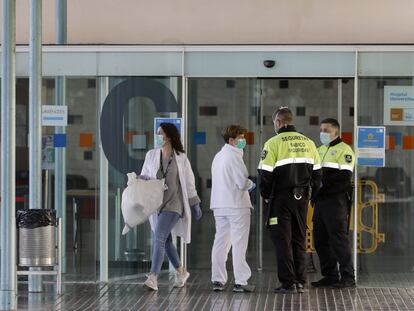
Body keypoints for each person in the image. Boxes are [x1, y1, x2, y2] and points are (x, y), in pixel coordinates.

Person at [258, 107, 321, 294]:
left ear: (278, 122)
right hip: (302, 199)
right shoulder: (309, 143)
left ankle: (288, 283)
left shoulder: (273, 143)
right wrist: (311, 198)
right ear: (291, 121)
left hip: (281, 199)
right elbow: (318, 176)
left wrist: (266, 195)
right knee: (299, 240)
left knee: (282, 240)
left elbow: (265, 175)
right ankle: (301, 281)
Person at [139, 122, 202, 291]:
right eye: (157, 133)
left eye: (160, 133)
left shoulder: (181, 158)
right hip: (156, 204)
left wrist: (194, 203)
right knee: (166, 242)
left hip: (174, 204)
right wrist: (139, 180)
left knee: (158, 237)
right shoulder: (151, 155)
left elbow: (189, 183)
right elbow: (145, 174)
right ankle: (181, 272)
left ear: (169, 136)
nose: (157, 136)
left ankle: (153, 277)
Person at [210, 125, 256, 293]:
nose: (243, 141)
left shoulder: (218, 156)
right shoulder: (234, 156)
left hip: (219, 205)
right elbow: (242, 182)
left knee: (220, 242)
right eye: (240, 138)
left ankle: (217, 279)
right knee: (239, 244)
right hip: (236, 205)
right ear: (231, 140)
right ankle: (241, 281)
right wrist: (252, 185)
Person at [311, 118, 356, 288]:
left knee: (338, 240)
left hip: (336, 202)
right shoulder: (319, 149)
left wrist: (322, 184)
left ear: (336, 132)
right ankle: (330, 275)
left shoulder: (345, 150)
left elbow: (344, 179)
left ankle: (348, 276)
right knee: (320, 240)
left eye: (327, 130)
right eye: (321, 129)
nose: (323, 133)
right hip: (320, 201)